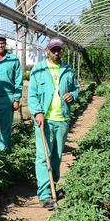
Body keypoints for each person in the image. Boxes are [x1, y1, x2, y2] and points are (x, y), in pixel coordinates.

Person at [27, 38, 79, 210]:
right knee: (43, 157)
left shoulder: (68, 69)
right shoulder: (39, 69)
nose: (57, 52)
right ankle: (45, 194)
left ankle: (52, 184)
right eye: (53, 50)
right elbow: (32, 94)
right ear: (47, 51)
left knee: (56, 156)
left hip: (62, 119)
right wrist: (37, 112)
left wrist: (73, 95)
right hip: (45, 120)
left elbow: (76, 88)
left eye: (59, 50)